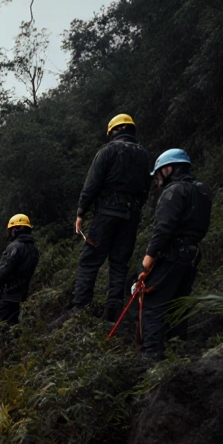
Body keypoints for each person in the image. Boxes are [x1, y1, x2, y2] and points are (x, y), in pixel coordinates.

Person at [65, 114, 153, 323]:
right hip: (130, 217)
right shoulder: (144, 155)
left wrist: (80, 212)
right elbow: (146, 189)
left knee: (89, 261)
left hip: (106, 214)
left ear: (113, 132)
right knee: (119, 263)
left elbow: (92, 183)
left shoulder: (108, 151)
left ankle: (80, 308)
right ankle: (113, 312)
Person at [138, 149, 213, 361]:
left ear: (168, 169)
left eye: (158, 174)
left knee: (154, 303)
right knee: (179, 302)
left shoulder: (174, 191)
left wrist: (150, 256)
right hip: (191, 255)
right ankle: (178, 349)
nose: (157, 181)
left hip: (170, 254)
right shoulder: (202, 190)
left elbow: (163, 227)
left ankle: (152, 354)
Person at [0, 214, 40, 352]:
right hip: (20, 298)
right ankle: (7, 359)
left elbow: (3, 273)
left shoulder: (14, 247)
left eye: (11, 229)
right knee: (9, 329)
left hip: (8, 297)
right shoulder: (34, 251)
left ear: (15, 230)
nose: (10, 232)